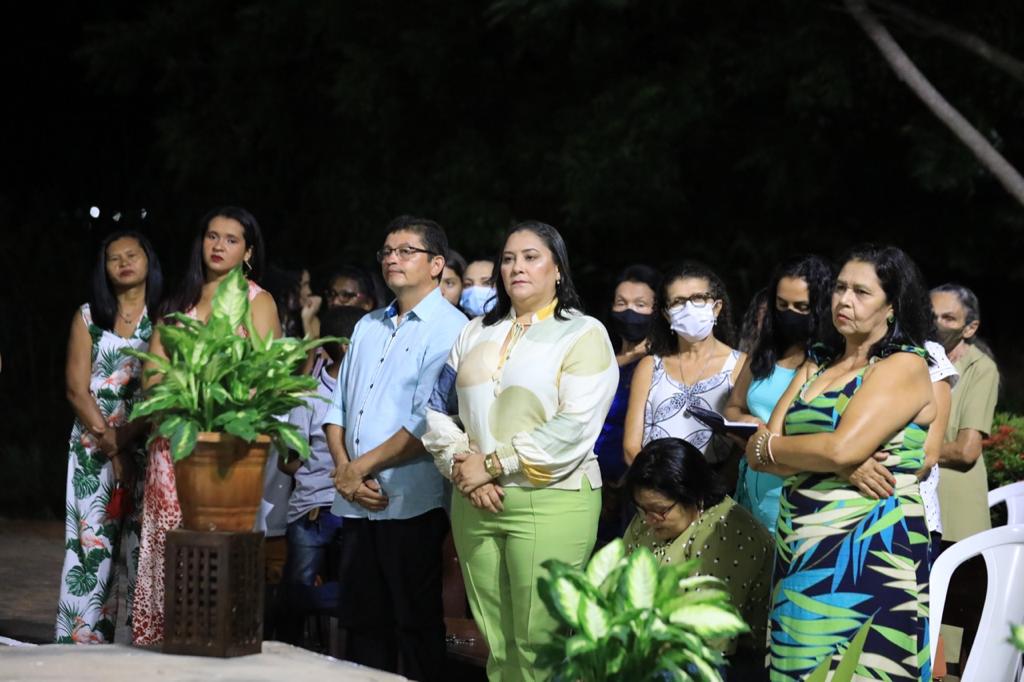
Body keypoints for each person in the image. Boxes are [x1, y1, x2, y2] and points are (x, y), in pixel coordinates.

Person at [423, 221, 618, 682]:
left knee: (541, 644)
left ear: (558, 271)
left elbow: (573, 426)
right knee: (497, 642)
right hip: (475, 501)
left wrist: (491, 465)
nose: (517, 267)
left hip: (550, 501)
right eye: (509, 258)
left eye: (531, 257)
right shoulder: (474, 333)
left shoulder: (583, 334)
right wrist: (458, 466)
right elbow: (435, 410)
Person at [745, 245, 936, 680]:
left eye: (862, 292)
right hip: (801, 545)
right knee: (798, 663)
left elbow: (838, 448)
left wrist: (803, 454)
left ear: (892, 306)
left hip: (867, 547)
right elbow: (757, 450)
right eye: (840, 288)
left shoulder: (902, 365)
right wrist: (828, 458)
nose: (844, 301)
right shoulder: (817, 362)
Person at [325, 215, 467, 681]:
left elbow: (429, 421)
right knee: (364, 626)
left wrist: (356, 469)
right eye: (387, 250)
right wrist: (346, 469)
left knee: (415, 626)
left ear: (436, 265)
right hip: (357, 501)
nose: (392, 258)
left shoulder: (452, 328)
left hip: (408, 501)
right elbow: (337, 408)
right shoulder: (368, 324)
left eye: (406, 251)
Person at [132, 206, 281, 645]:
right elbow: (152, 375)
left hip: (224, 445)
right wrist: (178, 405)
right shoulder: (178, 304)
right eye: (212, 236)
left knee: (214, 546)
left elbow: (263, 377)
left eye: (231, 239)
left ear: (248, 251)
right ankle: (162, 642)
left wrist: (215, 410)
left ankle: (213, 641)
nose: (218, 246)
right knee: (170, 540)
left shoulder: (259, 301)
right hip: (172, 444)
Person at [56, 230, 163, 644]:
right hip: (92, 446)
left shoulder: (167, 317)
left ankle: (144, 649)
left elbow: (162, 391)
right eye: (113, 258)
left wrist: (127, 438)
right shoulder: (88, 317)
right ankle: (81, 651)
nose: (123, 263)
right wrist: (112, 443)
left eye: (131, 254)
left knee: (145, 550)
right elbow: (75, 389)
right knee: (90, 551)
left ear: (148, 260)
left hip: (149, 442)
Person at [623, 437, 772, 678]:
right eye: (642, 509)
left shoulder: (727, 531)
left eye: (660, 511)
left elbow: (711, 637)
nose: (649, 520)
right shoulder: (648, 518)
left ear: (693, 494)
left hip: (720, 658)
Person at [276, 305, 366, 647]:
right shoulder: (323, 393)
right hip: (334, 509)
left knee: (298, 595)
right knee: (344, 593)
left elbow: (290, 462)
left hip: (333, 507)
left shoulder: (309, 393)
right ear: (347, 344)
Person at [724, 255, 834, 534]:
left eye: (801, 307)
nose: (789, 314)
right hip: (752, 480)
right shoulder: (764, 354)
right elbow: (733, 407)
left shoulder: (830, 362)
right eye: (782, 305)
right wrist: (746, 421)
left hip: (794, 489)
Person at [623, 261, 742, 470]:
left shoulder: (741, 365)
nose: (688, 308)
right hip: (655, 489)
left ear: (716, 307)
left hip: (716, 491)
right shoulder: (650, 367)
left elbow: (741, 448)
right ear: (667, 314)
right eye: (678, 301)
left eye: (698, 298)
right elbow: (631, 447)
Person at [594, 264, 659, 545]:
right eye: (622, 303)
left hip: (632, 489)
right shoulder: (595, 358)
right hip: (586, 483)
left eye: (640, 304)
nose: (629, 310)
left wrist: (623, 484)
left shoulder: (658, 366)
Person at [932, 283, 1000, 544]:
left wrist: (909, 452)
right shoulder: (913, 360)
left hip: (955, 515)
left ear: (970, 328)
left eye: (948, 317)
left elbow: (966, 450)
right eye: (931, 315)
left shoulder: (980, 369)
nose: (937, 323)